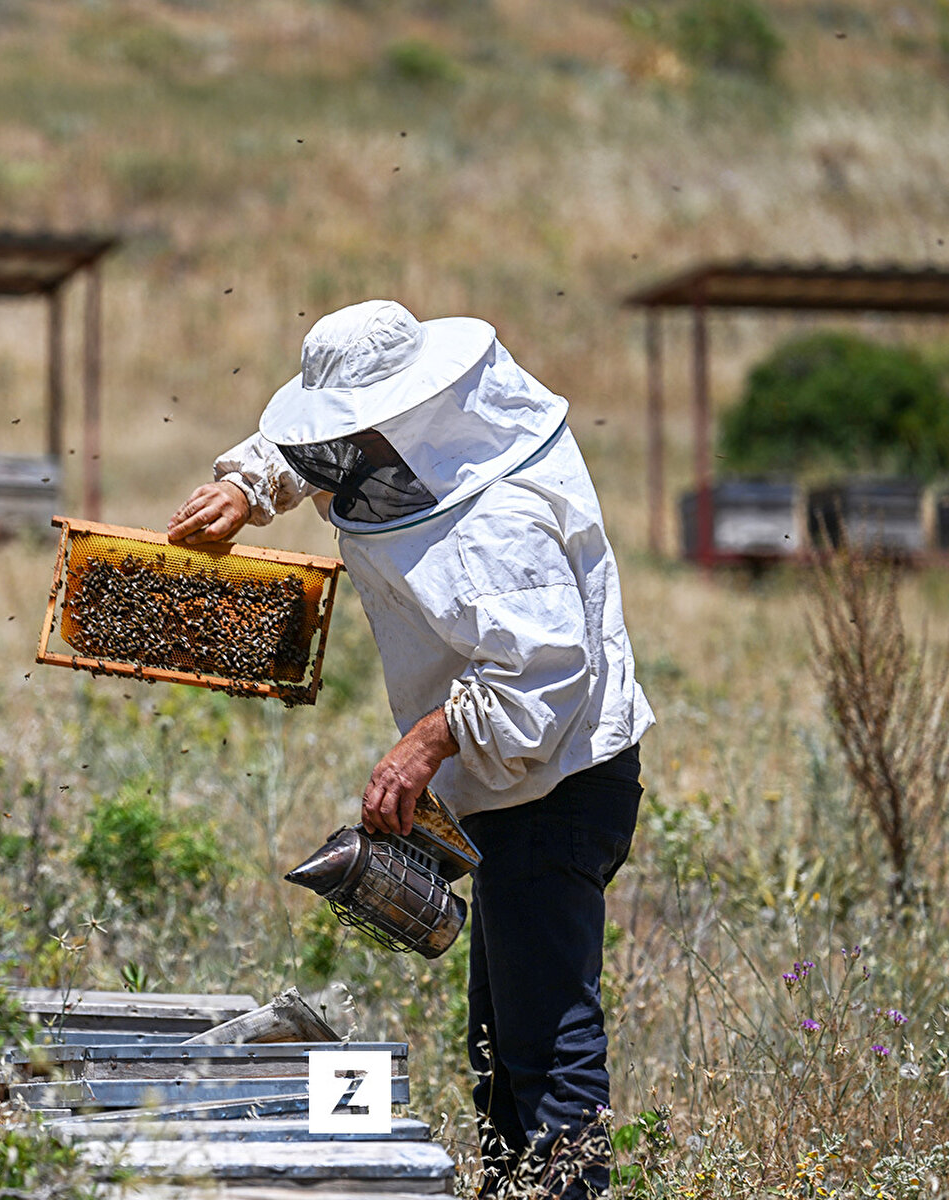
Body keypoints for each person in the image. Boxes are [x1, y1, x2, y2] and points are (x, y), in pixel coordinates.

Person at [169, 299, 654, 1198]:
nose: (341, 449)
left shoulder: (500, 516)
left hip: (557, 785)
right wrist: (248, 488)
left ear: (408, 410)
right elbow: (319, 448)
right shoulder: (411, 432)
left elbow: (542, 673)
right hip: (509, 788)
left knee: (548, 1047)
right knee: (501, 1045)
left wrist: (426, 742)